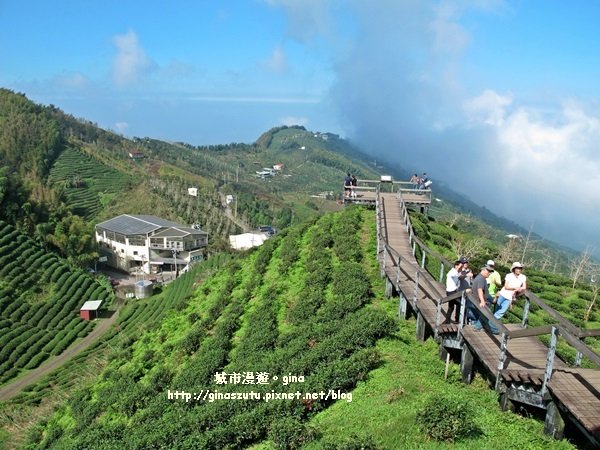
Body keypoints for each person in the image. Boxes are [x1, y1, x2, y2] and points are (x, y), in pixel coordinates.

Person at [471, 264, 499, 334]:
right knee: (488, 315)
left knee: (484, 315)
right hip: (479, 301)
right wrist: (482, 301)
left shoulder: (479, 278)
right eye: (488, 271)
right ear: (483, 270)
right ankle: (496, 330)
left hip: (478, 300)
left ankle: (477, 327)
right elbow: (479, 289)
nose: (489, 273)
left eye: (490, 272)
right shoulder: (481, 279)